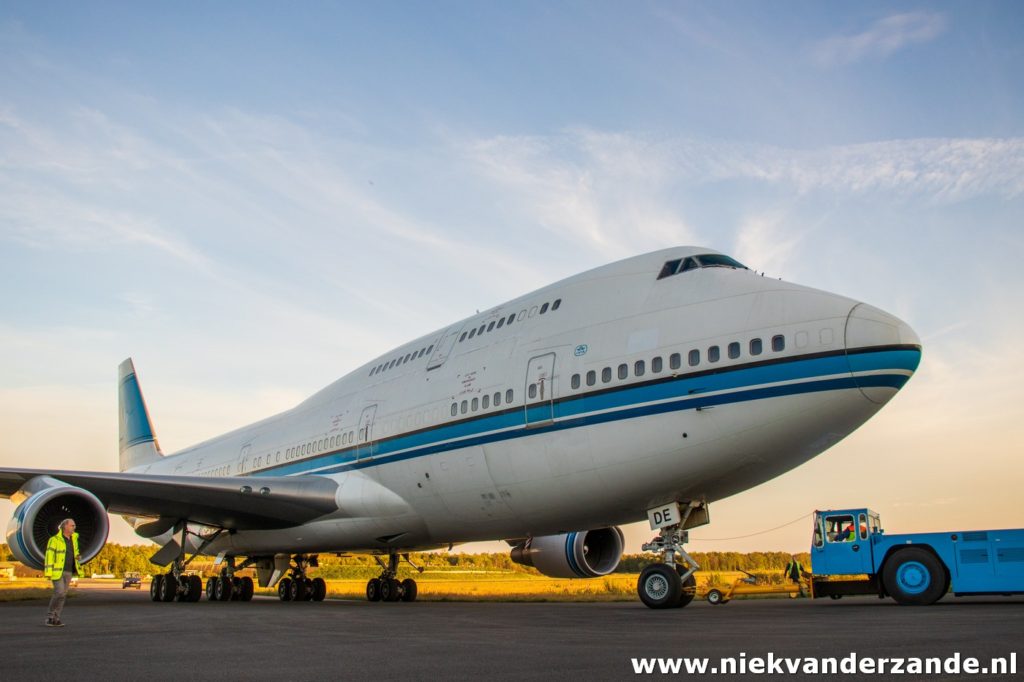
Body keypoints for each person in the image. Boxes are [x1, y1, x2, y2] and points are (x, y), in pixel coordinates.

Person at [44, 518, 82, 627]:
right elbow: (49, 556)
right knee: (59, 593)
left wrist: (78, 557)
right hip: (57, 572)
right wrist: (48, 571)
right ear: (65, 527)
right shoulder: (54, 540)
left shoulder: (74, 540)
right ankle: (50, 617)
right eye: (72, 525)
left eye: (74, 526)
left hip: (68, 571)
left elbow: (75, 553)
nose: (74, 527)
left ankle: (56, 619)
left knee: (63, 596)